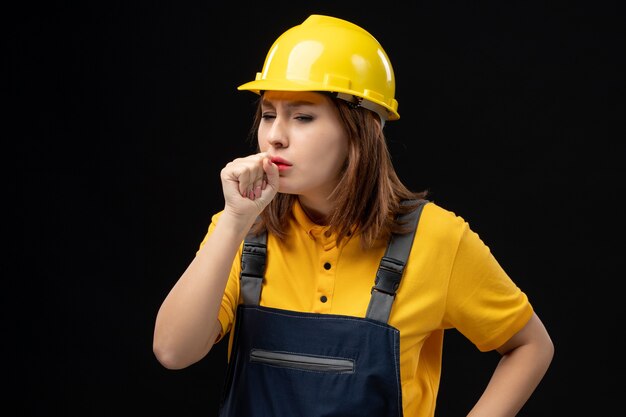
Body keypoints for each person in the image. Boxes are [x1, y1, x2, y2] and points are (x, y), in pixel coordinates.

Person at [153, 14, 554, 417]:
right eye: (269, 113)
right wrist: (234, 222)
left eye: (303, 116)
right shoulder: (241, 230)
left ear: (361, 130)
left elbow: (529, 345)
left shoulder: (435, 238)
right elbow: (173, 351)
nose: (275, 134)